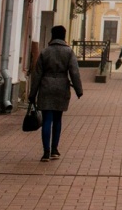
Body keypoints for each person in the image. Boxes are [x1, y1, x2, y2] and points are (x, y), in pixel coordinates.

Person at [28, 25, 83, 161]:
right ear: (64, 36)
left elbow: (37, 74)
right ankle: (54, 150)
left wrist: (32, 94)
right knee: (57, 120)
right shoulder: (69, 52)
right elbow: (74, 72)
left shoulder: (45, 52)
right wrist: (78, 90)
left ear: (52, 35)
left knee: (47, 119)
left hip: (46, 86)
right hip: (61, 87)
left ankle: (45, 152)